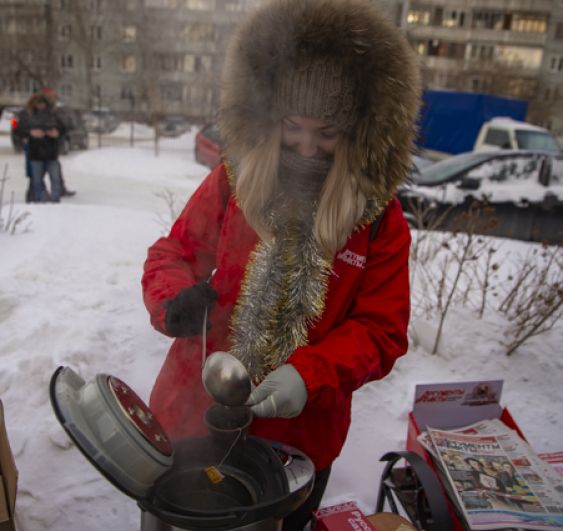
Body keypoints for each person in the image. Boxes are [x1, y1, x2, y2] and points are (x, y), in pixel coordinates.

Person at [142, 0, 421, 528]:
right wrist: (172, 297)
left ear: (359, 130)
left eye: (329, 132)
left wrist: (310, 374)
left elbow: (382, 329)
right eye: (294, 126)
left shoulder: (379, 220)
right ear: (273, 117)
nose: (307, 147)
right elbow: (173, 253)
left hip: (298, 444)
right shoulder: (235, 180)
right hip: (191, 414)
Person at [18, 89, 76, 202]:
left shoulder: (54, 113)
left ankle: (55, 198)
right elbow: (19, 128)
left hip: (51, 151)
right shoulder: (27, 114)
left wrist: (57, 132)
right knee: (35, 178)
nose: (41, 105)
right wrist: (31, 132)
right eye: (39, 103)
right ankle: (35, 198)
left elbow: (64, 127)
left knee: (54, 177)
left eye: (43, 102)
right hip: (34, 152)